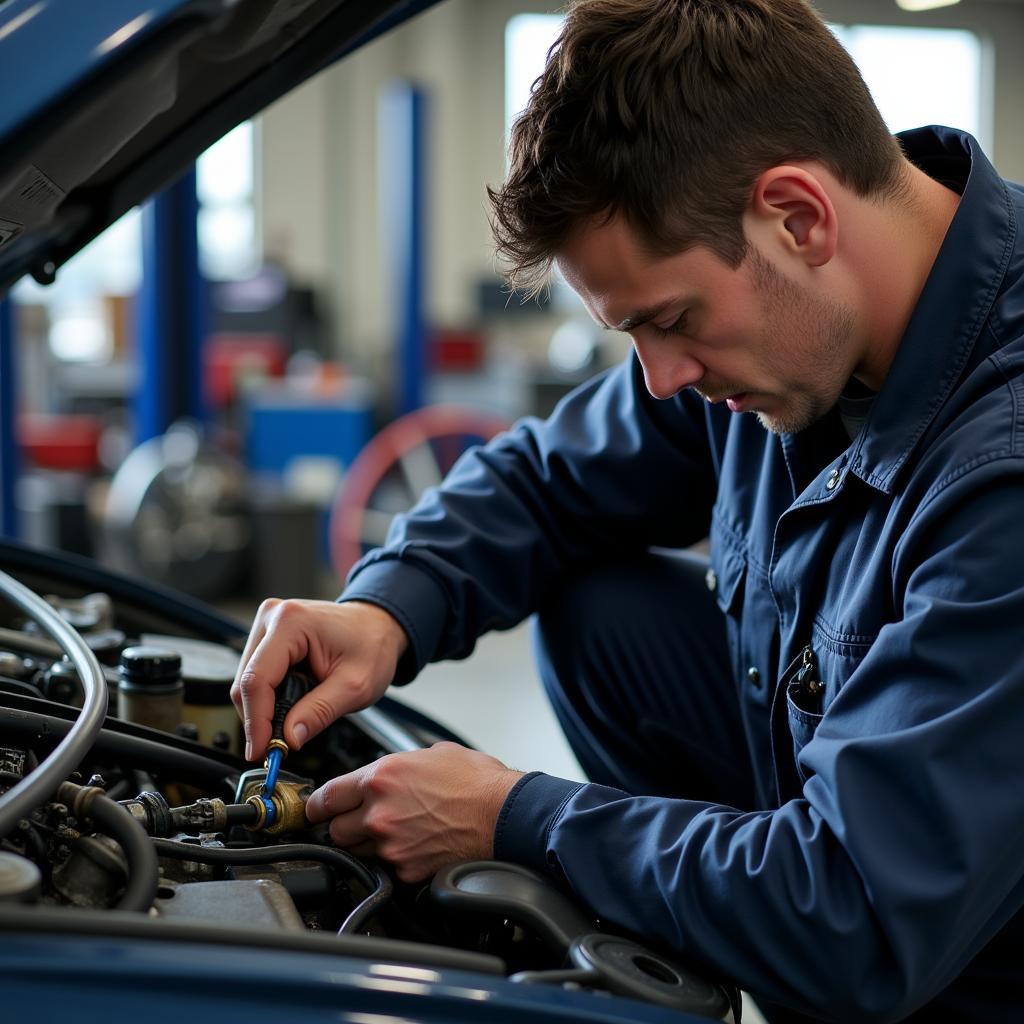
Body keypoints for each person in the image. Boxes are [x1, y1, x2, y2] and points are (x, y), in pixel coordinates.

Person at [230, 0, 1024, 1019]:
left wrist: (517, 818)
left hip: (942, 937)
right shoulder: (791, 325)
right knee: (599, 611)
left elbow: (861, 909)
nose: (659, 380)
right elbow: (545, 478)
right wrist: (389, 604)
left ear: (799, 216)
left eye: (670, 320)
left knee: (835, 933)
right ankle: (746, 916)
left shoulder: (999, 468)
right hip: (875, 844)